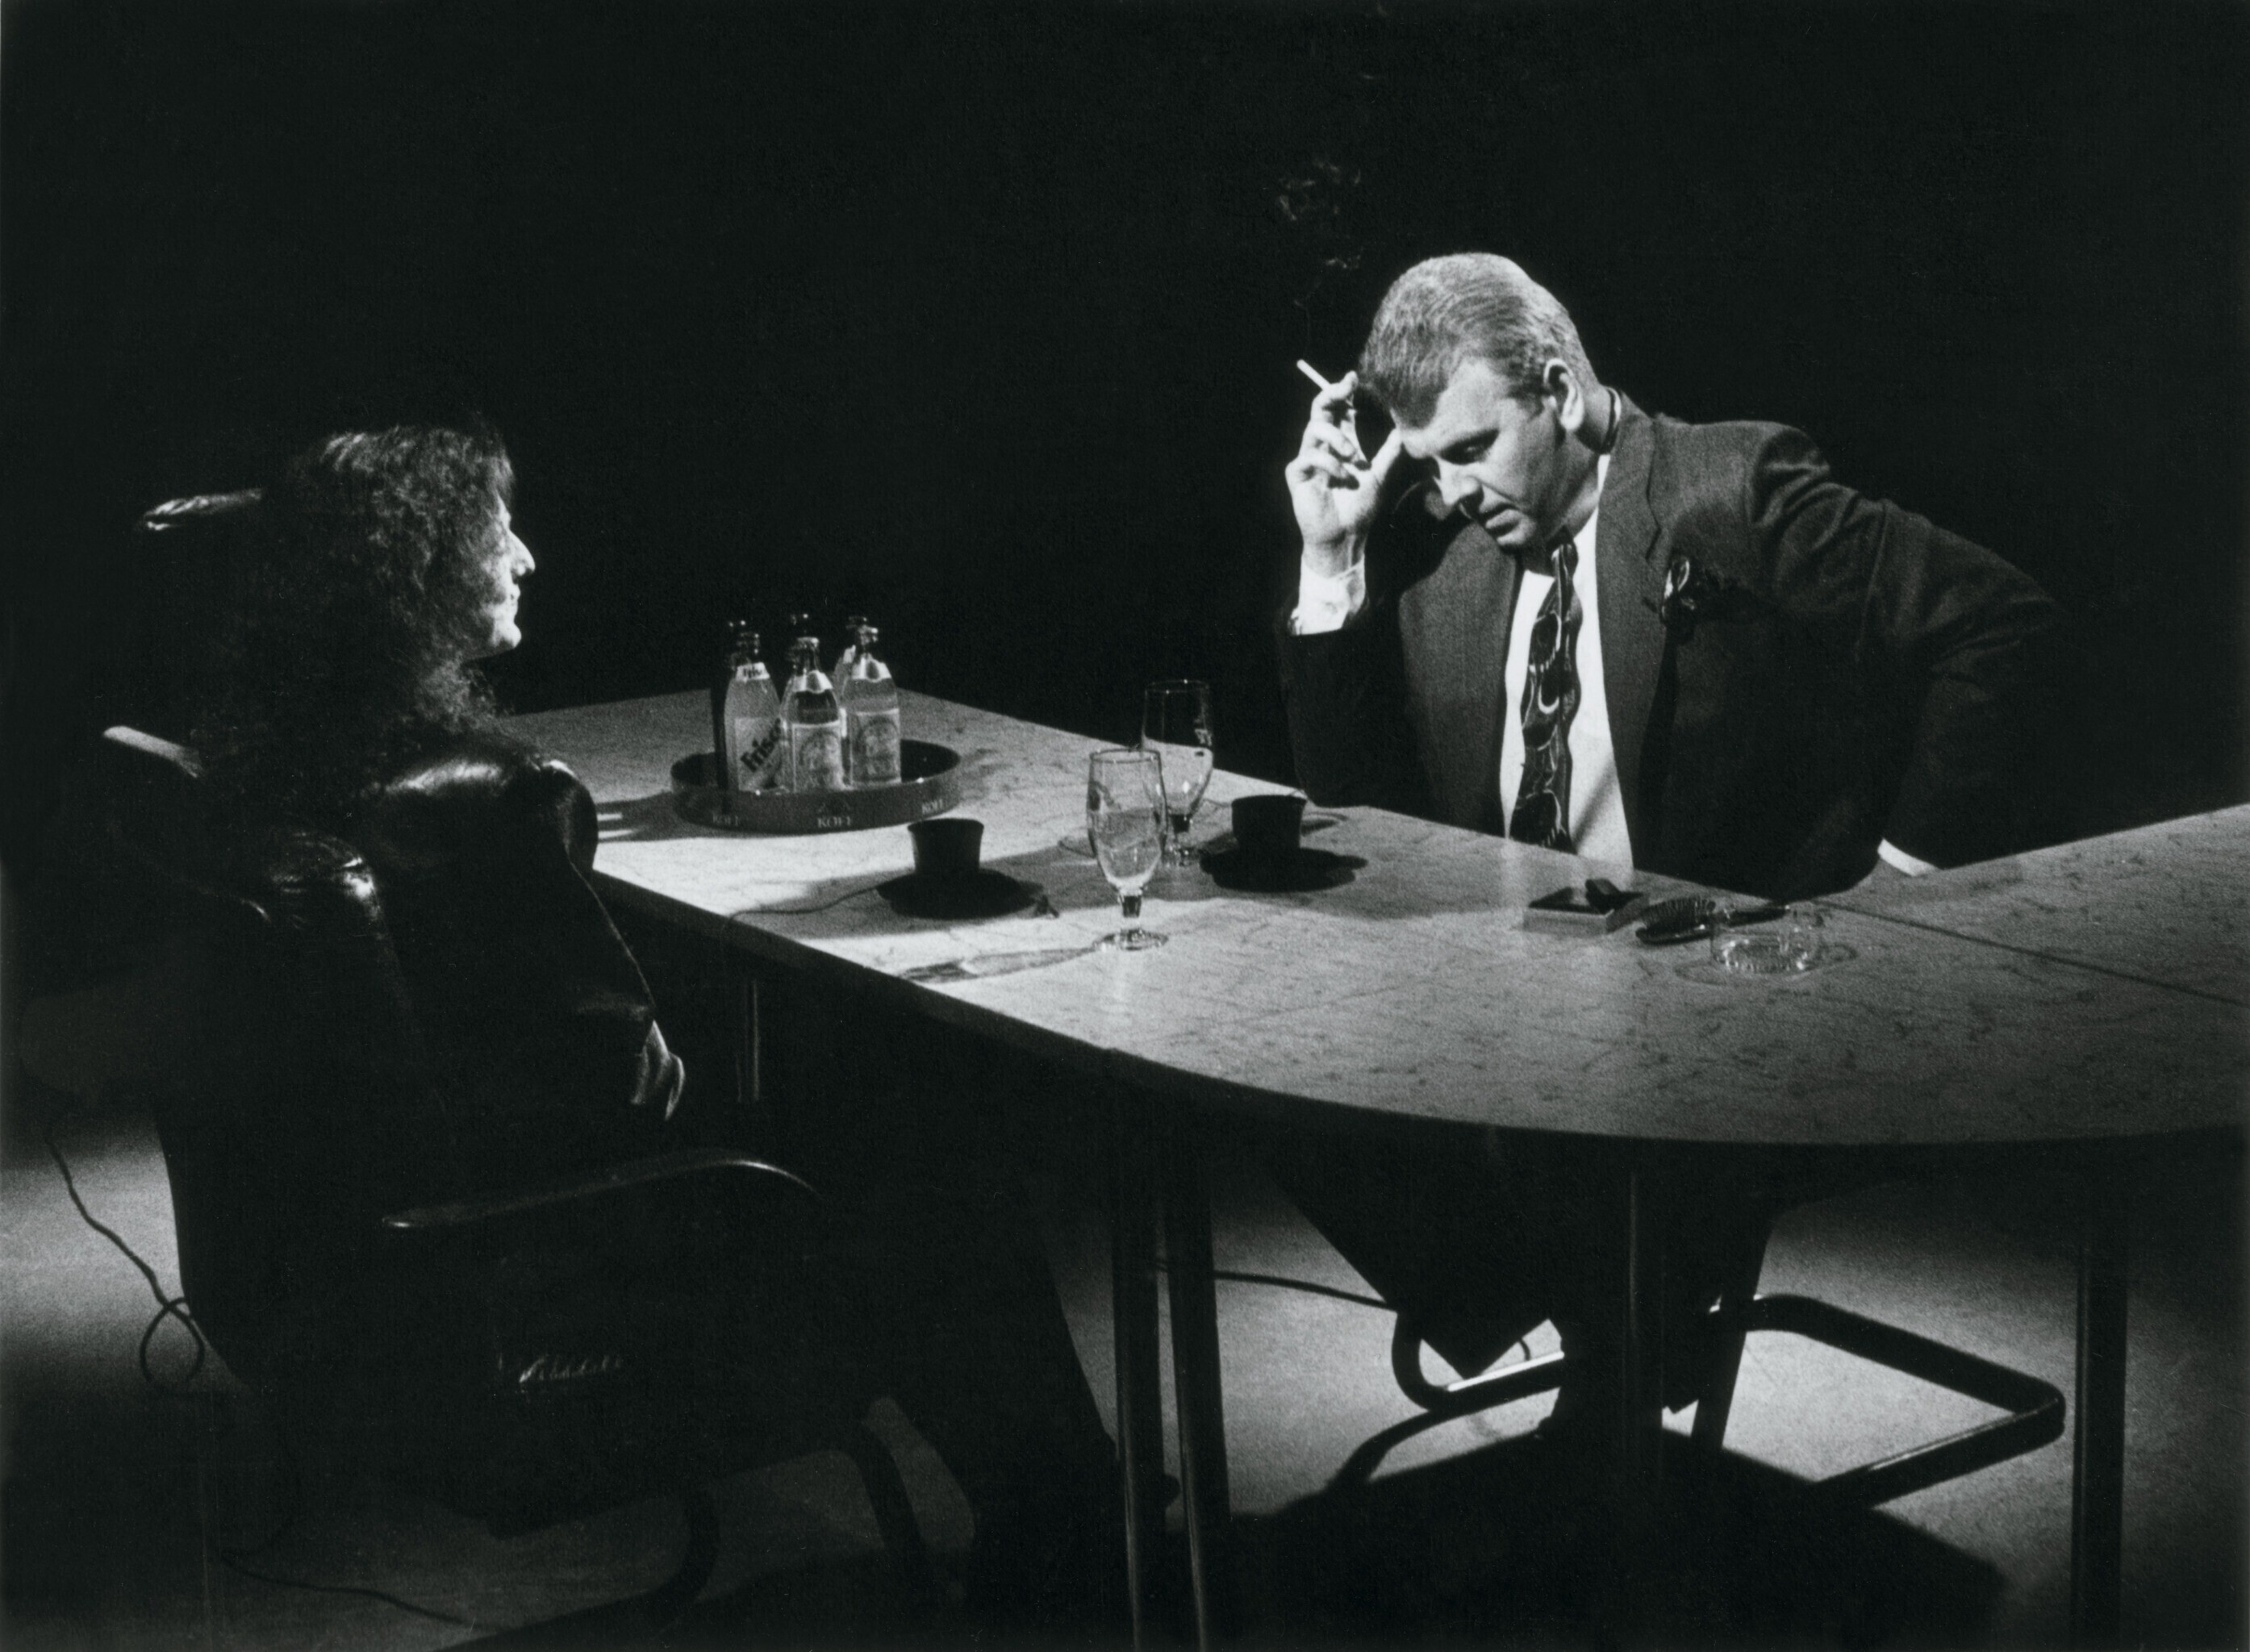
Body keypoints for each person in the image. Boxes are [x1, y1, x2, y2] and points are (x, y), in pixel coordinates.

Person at [190, 420, 1124, 1628]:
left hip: (380, 1256)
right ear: (417, 573)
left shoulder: (287, 765)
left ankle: (1067, 1506)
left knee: (876, 1103)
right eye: (495, 534)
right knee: (930, 1154)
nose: (525, 557)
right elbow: (625, 1092)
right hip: (567, 1249)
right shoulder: (488, 800)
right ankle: (1072, 1536)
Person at [1271, 254, 2062, 1431]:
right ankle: (1601, 1320)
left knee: (1565, 1088)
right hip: (1516, 973)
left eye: (1471, 448)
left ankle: (1616, 1356)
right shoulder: (1438, 551)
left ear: (1557, 388)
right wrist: (1333, 561)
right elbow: (1358, 821)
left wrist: (1899, 885)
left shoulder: (1730, 490)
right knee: (1257, 1058)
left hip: (1724, 986)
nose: (1447, 491)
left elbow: (1998, 626)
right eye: (1425, 461)